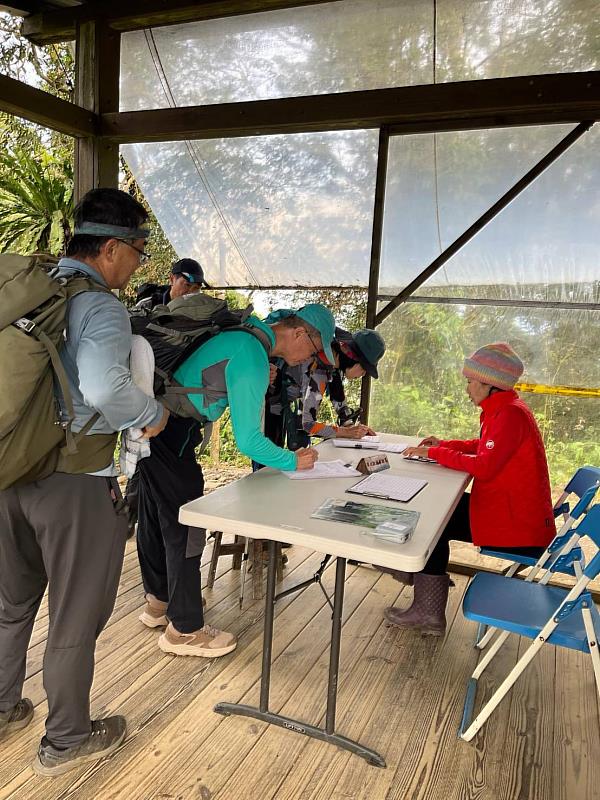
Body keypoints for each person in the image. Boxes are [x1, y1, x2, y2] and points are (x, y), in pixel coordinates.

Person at [0, 188, 169, 776]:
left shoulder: (29, 289)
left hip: (10, 471)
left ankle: (2, 708)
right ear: (114, 247)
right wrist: (152, 414)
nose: (140, 264)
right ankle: (67, 738)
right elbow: (103, 388)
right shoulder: (100, 306)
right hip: (75, 483)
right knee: (75, 614)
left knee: (11, 603)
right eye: (140, 251)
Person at [137, 303, 336, 658]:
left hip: (154, 421)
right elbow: (248, 440)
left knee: (155, 515)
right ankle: (184, 629)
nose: (309, 359)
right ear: (298, 333)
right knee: (187, 524)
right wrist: (294, 459)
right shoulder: (252, 355)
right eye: (313, 350)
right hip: (175, 428)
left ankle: (159, 602)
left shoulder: (244, 337)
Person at [384, 342, 555, 636]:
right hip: (513, 515)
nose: (467, 389)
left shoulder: (510, 415)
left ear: (489, 384)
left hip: (519, 529)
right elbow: (483, 448)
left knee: (437, 521)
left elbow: (485, 466)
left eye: (470, 382)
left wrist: (434, 454)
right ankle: (420, 576)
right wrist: (444, 446)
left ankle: (426, 608)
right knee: (437, 514)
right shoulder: (504, 410)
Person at [264, 327, 386, 452]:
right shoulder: (319, 369)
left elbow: (339, 400)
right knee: (267, 458)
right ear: (353, 358)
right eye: (365, 368)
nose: (364, 374)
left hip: (278, 403)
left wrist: (353, 428)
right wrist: (346, 432)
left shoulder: (331, 362)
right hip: (268, 409)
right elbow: (307, 425)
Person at [135, 257, 209, 308]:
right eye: (187, 285)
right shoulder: (148, 306)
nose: (191, 292)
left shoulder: (202, 310)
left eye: (196, 288)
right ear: (172, 279)